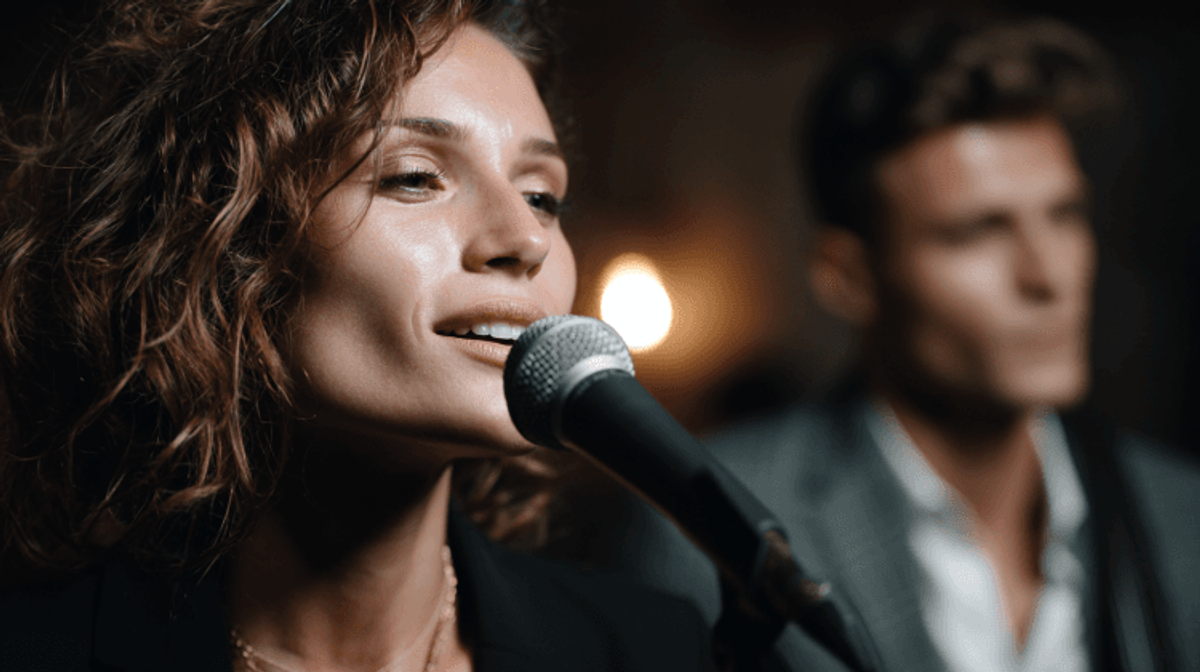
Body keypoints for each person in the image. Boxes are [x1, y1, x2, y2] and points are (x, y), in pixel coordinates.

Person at [0, 1, 717, 670]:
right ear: (220, 242)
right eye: (414, 178)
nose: (526, 238)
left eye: (542, 195)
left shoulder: (653, 650)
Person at [614, 13, 1200, 672]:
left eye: (1064, 216)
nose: (1048, 275)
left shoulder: (1180, 516)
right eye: (979, 232)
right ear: (849, 277)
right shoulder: (709, 529)